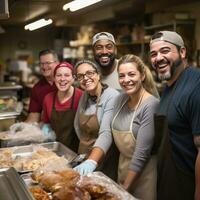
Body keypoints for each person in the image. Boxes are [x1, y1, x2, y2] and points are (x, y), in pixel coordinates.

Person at [149, 30, 200, 200]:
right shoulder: (169, 86)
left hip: (188, 186)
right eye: (153, 54)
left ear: (182, 52)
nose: (158, 58)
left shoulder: (195, 86)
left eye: (165, 51)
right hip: (168, 184)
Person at [111, 54, 159, 199]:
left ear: (142, 75)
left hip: (144, 175)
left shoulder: (150, 105)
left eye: (131, 74)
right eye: (122, 76)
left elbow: (142, 154)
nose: (126, 80)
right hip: (123, 169)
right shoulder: (120, 99)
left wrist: (125, 187)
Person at [73, 59, 119, 180]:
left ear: (98, 75)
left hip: (103, 157)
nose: (85, 78)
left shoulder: (112, 96)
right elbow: (77, 126)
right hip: (84, 156)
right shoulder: (85, 95)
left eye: (90, 73)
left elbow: (106, 133)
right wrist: (85, 152)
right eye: (80, 76)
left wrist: (92, 161)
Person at [42, 62, 83, 152]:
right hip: (54, 150)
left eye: (67, 75)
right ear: (54, 78)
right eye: (58, 75)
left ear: (73, 78)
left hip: (77, 151)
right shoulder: (48, 98)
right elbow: (46, 123)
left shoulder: (82, 97)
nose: (62, 79)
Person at [26, 49, 59, 123]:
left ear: (57, 63)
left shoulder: (65, 82)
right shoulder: (37, 88)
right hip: (48, 130)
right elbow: (34, 116)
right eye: (41, 63)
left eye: (48, 63)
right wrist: (20, 130)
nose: (44, 67)